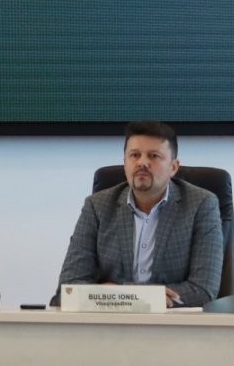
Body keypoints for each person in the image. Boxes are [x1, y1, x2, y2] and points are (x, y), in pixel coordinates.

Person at [53, 120, 223, 307]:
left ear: (173, 167)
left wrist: (119, 294)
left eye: (154, 156)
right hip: (110, 322)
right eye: (134, 155)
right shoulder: (97, 207)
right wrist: (147, 297)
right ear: (125, 163)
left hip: (173, 322)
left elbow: (203, 290)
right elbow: (68, 288)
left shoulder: (201, 205)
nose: (142, 163)